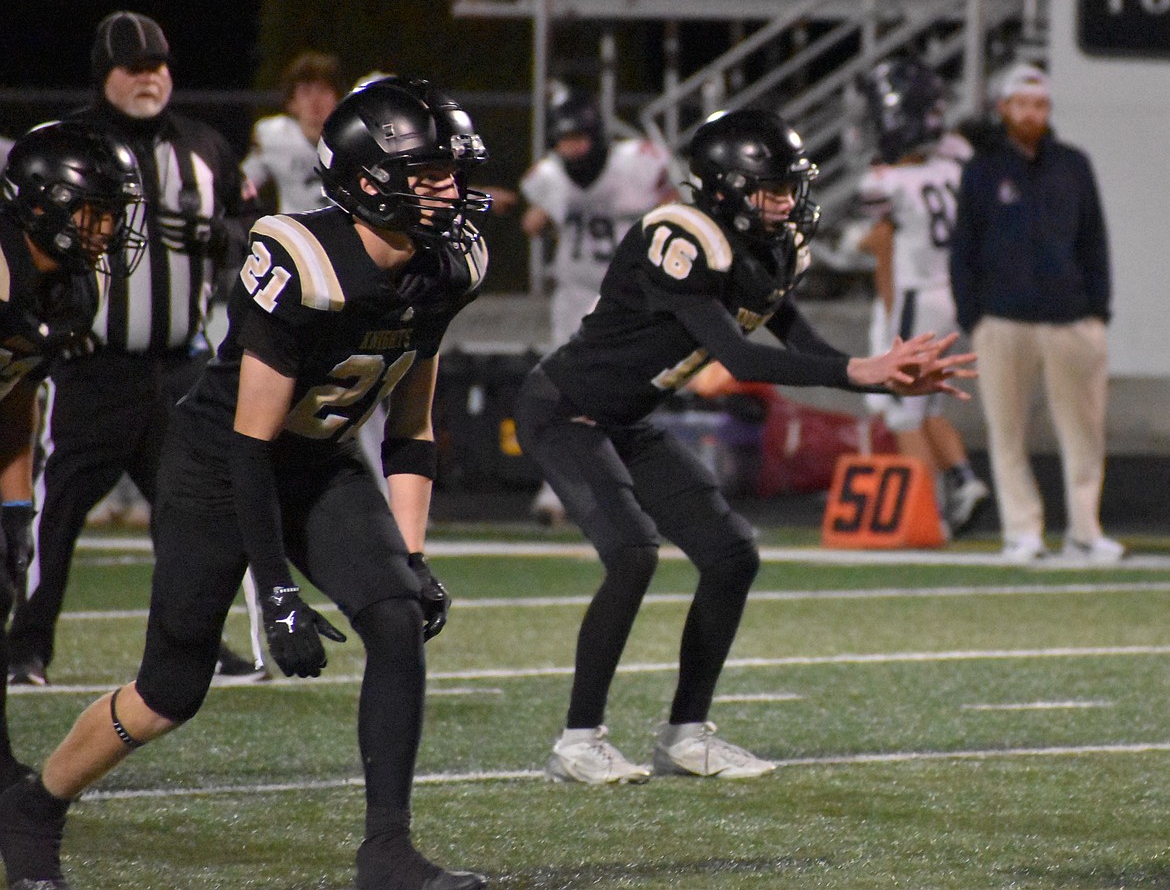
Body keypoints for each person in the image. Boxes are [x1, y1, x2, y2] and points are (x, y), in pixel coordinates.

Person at [0, 76, 491, 890]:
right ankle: (36, 806)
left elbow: (412, 425)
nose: (451, 188)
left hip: (321, 459)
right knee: (169, 692)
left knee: (396, 617)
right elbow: (249, 445)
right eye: (430, 172)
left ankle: (387, 853)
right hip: (218, 465)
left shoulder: (449, 264)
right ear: (369, 180)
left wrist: (412, 554)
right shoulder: (303, 259)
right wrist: (276, 591)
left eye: (453, 171)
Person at [514, 108, 975, 784]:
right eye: (770, 189)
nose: (786, 202)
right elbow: (740, 356)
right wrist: (858, 372)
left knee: (731, 555)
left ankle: (685, 735)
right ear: (725, 188)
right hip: (565, 409)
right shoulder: (680, 235)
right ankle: (578, 741)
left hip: (627, 418)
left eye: (791, 186)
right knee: (633, 555)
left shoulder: (770, 249)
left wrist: (883, 374)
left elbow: (802, 341)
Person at [6, 11, 264, 687]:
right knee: (55, 513)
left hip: (181, 367)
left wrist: (225, 238)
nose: (150, 78)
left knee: (196, 514)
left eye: (159, 65)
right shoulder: (66, 145)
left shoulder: (205, 146)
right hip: (92, 367)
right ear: (105, 76)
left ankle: (197, 639)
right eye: (134, 67)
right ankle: (25, 645)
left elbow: (252, 222)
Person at [0, 121, 146, 798]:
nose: (108, 229)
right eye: (96, 211)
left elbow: (16, 394)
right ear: (44, 204)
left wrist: (15, 506)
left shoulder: (70, 290)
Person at [950, 62, 1122, 565]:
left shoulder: (1073, 164)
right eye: (1022, 104)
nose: (1032, 114)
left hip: (1072, 319)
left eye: (1040, 105)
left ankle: (1085, 531)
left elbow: (1093, 240)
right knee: (1007, 432)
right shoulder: (982, 169)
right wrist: (973, 316)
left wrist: (1097, 310)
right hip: (1003, 320)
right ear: (1004, 108)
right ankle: (1022, 531)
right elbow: (964, 247)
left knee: (1085, 432)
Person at [520, 91, 676, 524]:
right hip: (575, 291)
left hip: (627, 294)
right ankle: (559, 490)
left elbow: (673, 210)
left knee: (622, 394)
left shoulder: (635, 165)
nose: (570, 149)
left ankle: (627, 486)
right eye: (563, 141)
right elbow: (534, 221)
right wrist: (544, 218)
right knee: (562, 391)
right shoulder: (551, 176)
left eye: (578, 139)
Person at [856, 55, 989, 535]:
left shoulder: (886, 183)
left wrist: (890, 315)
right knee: (928, 404)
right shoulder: (956, 164)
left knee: (902, 411)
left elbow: (884, 246)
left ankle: (927, 515)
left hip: (917, 296)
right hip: (953, 293)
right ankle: (964, 480)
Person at [242, 50, 344, 214]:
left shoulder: (352, 138)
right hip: (293, 228)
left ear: (338, 97)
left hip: (342, 227)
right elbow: (244, 186)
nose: (315, 101)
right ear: (292, 103)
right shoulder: (274, 136)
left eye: (323, 90)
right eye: (305, 92)